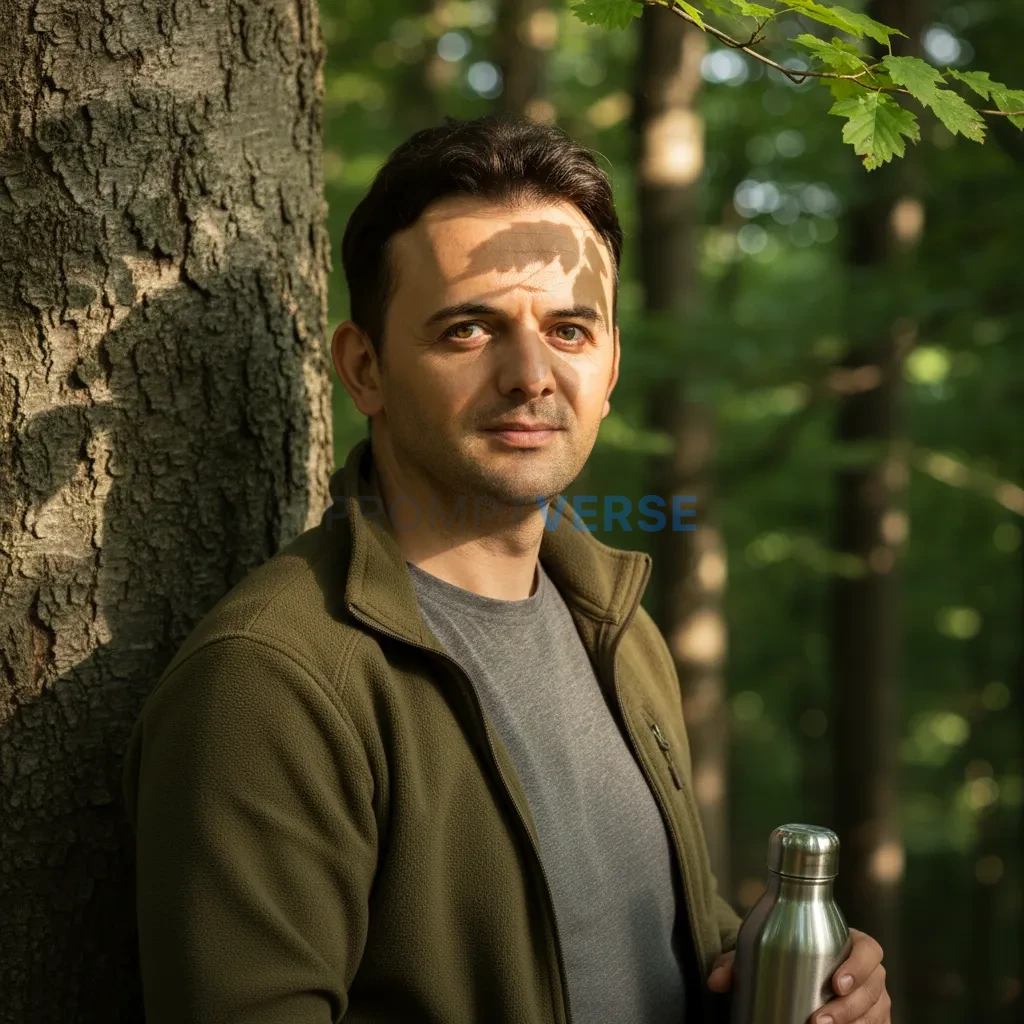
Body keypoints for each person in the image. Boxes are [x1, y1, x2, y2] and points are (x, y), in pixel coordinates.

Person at [122, 112, 890, 1024]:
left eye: (569, 330)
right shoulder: (274, 682)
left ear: (608, 369)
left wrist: (789, 976)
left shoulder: (619, 627)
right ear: (363, 367)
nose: (530, 373)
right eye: (469, 330)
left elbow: (637, 948)